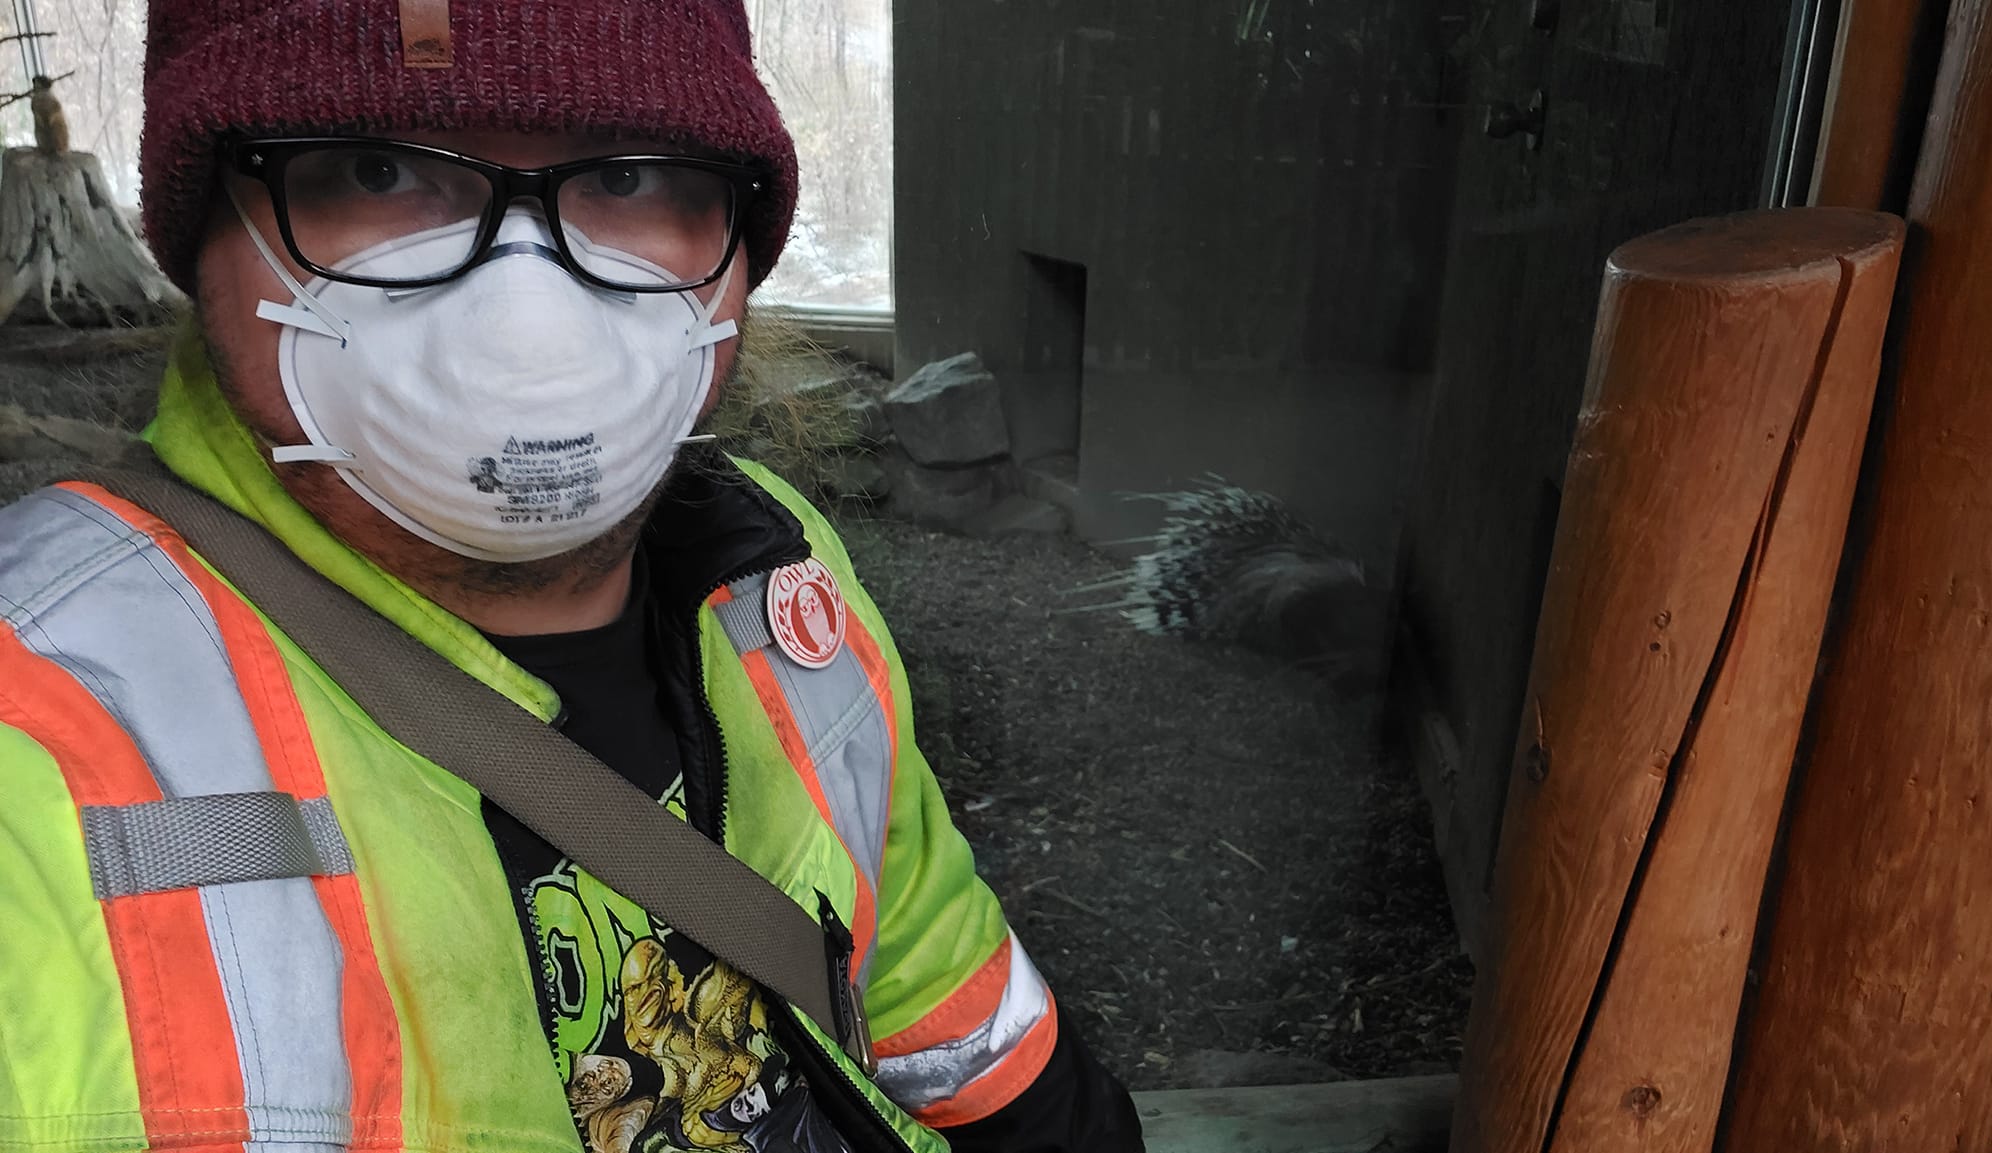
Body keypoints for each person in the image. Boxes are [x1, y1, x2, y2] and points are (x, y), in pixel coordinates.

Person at [0, 3, 1144, 1152]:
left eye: (638, 178)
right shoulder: (37, 726)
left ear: (736, 251)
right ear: (204, 238)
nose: (525, 314)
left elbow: (937, 985)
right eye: (379, 169)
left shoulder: (773, 570)